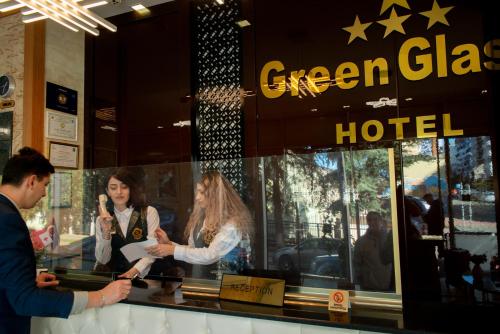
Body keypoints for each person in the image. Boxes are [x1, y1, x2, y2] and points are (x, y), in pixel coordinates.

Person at [0, 147, 131, 334]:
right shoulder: (8, 220)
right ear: (31, 181)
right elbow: (25, 300)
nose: (44, 194)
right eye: (44, 185)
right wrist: (101, 296)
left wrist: (24, 282)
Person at [146, 171, 253, 278]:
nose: (197, 197)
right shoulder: (200, 220)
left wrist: (172, 250)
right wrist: (169, 244)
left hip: (225, 284)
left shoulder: (231, 224)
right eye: (197, 192)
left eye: (202, 192)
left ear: (214, 195)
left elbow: (210, 255)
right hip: (201, 282)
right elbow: (193, 250)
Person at [95, 167, 160, 278]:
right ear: (107, 192)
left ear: (131, 189)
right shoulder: (102, 219)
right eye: (113, 188)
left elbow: (153, 249)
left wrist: (133, 272)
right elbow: (102, 259)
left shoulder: (148, 212)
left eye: (124, 187)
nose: (119, 192)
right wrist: (106, 233)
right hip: (111, 281)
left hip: (142, 279)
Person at [353, 211, 392, 291]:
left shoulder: (390, 239)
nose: (372, 222)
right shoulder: (361, 242)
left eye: (375, 219)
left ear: (381, 221)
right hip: (369, 287)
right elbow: (356, 264)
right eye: (369, 220)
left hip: (391, 286)